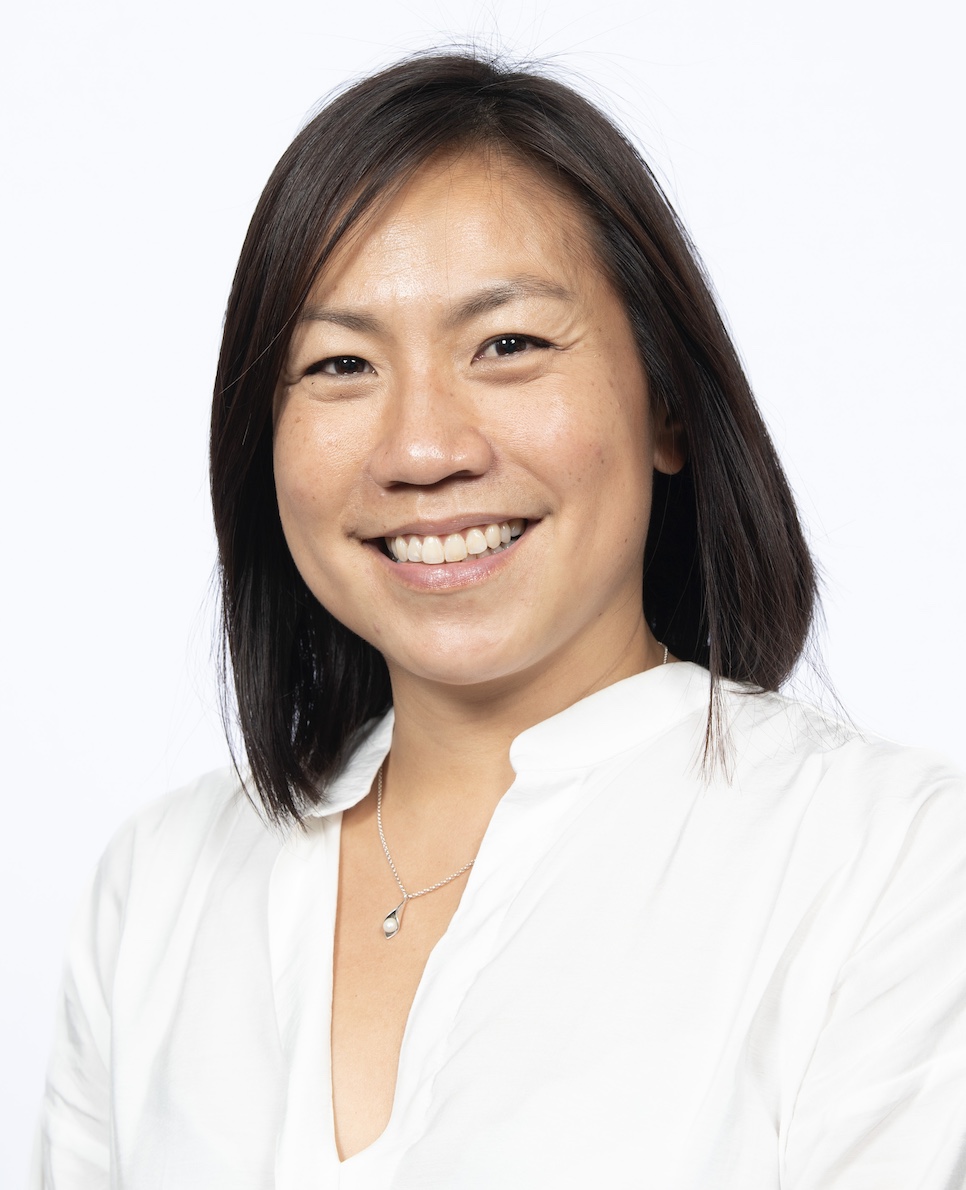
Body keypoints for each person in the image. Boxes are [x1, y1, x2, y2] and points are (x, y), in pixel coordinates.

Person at [34, 51, 966, 1189]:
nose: (424, 448)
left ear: (668, 405)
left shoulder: (890, 863)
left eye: (509, 345)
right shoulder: (158, 887)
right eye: (341, 363)